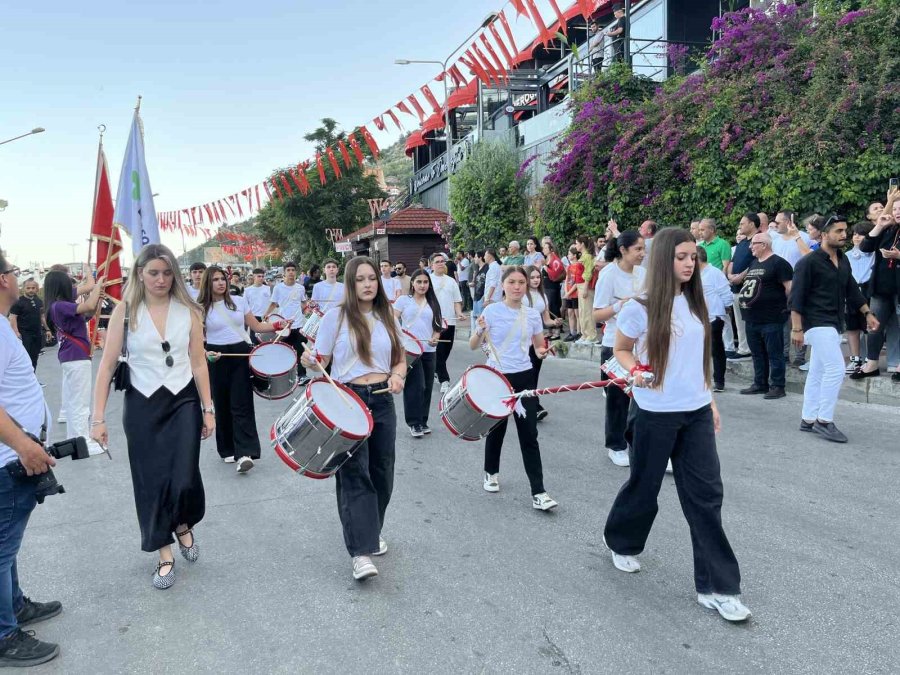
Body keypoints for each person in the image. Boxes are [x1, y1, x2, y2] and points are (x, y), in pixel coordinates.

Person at [603, 227, 750, 623]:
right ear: (664, 259)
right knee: (645, 485)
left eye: (693, 257)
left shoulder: (697, 302)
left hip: (697, 411)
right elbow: (620, 350)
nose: (689, 264)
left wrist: (711, 400)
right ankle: (622, 541)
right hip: (653, 413)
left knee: (706, 496)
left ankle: (718, 587)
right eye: (681, 257)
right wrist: (636, 370)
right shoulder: (641, 306)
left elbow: (699, 359)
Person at [91, 244, 214, 590]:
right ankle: (164, 553)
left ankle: (182, 523)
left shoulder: (188, 311)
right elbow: (107, 364)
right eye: (153, 273)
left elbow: (199, 361)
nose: (161, 279)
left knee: (184, 475)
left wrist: (208, 408)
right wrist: (97, 417)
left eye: (166, 272)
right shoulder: (125, 312)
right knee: (151, 481)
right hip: (143, 405)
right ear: (140, 275)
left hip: (183, 400)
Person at [299, 256, 406, 581]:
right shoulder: (336, 317)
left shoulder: (388, 316)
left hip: (384, 399)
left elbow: (400, 359)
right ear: (350, 283)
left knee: (382, 471)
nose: (368, 284)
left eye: (372, 278)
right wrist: (309, 360)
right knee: (354, 474)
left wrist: (398, 376)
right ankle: (360, 551)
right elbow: (321, 360)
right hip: (348, 401)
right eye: (360, 279)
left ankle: (370, 529)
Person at [0, 253, 63, 667]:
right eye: (14, 273)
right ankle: (4, 635)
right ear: (4, 280)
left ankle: (15, 605)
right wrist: (24, 445)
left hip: (16, 452)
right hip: (9, 456)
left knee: (9, 543)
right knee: (1, 549)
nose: (18, 279)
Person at [470, 266, 557, 511]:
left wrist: (543, 352)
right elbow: (473, 345)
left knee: (529, 435)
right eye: (512, 282)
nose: (517, 286)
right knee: (497, 429)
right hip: (497, 378)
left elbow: (538, 346)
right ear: (503, 285)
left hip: (525, 378)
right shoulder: (492, 311)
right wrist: (479, 329)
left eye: (521, 282)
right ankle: (491, 472)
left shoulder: (531, 315)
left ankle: (539, 492)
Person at [791, 217, 878, 443]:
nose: (844, 235)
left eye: (845, 231)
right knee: (836, 369)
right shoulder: (808, 263)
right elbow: (796, 297)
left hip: (833, 322)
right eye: (838, 231)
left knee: (818, 372)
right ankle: (824, 421)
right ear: (823, 234)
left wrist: (867, 313)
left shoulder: (842, 260)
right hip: (815, 323)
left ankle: (808, 418)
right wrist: (796, 328)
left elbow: (852, 290)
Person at [199, 267, 281, 471]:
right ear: (207, 283)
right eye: (215, 280)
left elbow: (257, 327)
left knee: (242, 403)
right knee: (222, 404)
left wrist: (277, 325)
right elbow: (196, 339)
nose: (220, 283)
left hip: (241, 353)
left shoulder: (239, 302)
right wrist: (204, 353)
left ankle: (245, 452)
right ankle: (226, 449)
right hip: (215, 357)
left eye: (223, 279)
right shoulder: (200, 308)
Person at [592, 230, 646, 466]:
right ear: (623, 250)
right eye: (638, 249)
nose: (642, 254)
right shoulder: (608, 275)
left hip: (642, 344)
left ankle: (644, 444)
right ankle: (616, 445)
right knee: (618, 399)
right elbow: (597, 314)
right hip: (615, 344)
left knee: (644, 398)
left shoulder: (644, 273)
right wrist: (619, 306)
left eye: (644, 249)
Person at [43, 270, 105, 456]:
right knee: (80, 403)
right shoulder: (60, 306)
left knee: (73, 402)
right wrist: (98, 285)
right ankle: (83, 442)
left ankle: (76, 440)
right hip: (76, 356)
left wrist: (96, 297)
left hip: (72, 356)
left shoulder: (58, 306)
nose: (73, 287)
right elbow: (88, 304)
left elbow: (89, 310)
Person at [852, 188, 900, 381]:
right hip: (881, 288)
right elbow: (865, 247)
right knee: (874, 325)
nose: (896, 211)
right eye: (895, 208)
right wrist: (879, 225)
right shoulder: (888, 228)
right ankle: (871, 363)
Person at [738, 233, 793, 398]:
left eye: (754, 243)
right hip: (751, 317)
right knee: (757, 353)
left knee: (774, 353)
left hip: (772, 317)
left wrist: (788, 309)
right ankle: (760, 383)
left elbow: (790, 288)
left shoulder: (779, 263)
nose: (750, 247)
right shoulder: (754, 263)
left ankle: (777, 386)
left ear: (764, 245)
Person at [394, 269, 442, 437]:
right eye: (419, 282)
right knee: (416, 386)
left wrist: (435, 338)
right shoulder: (403, 301)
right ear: (412, 283)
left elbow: (438, 327)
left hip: (429, 350)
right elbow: (392, 320)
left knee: (427, 387)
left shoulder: (433, 302)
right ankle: (413, 423)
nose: (422, 285)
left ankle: (423, 421)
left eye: (426, 282)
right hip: (410, 351)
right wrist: (400, 336)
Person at [524, 265, 562, 421]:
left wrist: (555, 322)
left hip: (538, 340)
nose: (535, 280)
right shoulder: (521, 295)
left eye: (537, 277)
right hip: (523, 340)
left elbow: (546, 320)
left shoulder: (542, 295)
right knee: (527, 375)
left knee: (534, 375)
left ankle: (528, 404)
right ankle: (534, 407)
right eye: (532, 277)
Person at [265, 261, 310, 382]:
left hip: (298, 325)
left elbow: (304, 302)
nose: (291, 272)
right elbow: (274, 303)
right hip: (284, 326)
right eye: (288, 270)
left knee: (300, 350)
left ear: (295, 272)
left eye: (293, 270)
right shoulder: (278, 288)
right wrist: (267, 314)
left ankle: (302, 376)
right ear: (284, 273)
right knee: (284, 351)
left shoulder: (300, 288)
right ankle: (284, 377)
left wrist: (305, 310)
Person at [725, 213, 761, 360]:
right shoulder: (742, 242)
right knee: (739, 321)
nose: (740, 226)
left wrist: (741, 276)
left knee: (749, 321)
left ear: (752, 224)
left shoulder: (758, 240)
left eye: (742, 223)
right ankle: (743, 348)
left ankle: (749, 349)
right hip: (735, 287)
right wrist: (729, 274)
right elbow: (732, 262)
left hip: (750, 289)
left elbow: (757, 261)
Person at [697, 247, 733, 392]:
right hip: (698, 317)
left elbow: (725, 292)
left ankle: (719, 381)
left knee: (715, 348)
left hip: (714, 316)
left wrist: (725, 310)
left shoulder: (714, 273)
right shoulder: (693, 274)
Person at [429, 253, 464, 395]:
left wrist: (459, 313)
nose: (440, 264)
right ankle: (445, 380)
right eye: (437, 261)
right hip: (433, 322)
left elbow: (457, 300)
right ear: (431, 264)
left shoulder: (451, 281)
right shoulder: (427, 280)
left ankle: (437, 370)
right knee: (439, 351)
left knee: (446, 350)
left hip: (450, 322)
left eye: (442, 261)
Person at [845, 222, 875, 373]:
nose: (856, 237)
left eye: (860, 234)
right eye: (855, 234)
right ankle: (855, 359)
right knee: (852, 327)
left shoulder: (874, 254)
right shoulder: (847, 255)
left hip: (868, 291)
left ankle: (871, 358)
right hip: (851, 292)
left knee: (869, 327)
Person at [9, 278, 51, 371]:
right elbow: (13, 317)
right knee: (25, 358)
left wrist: (47, 329)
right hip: (24, 333)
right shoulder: (18, 302)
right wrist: (16, 332)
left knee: (34, 357)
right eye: (28, 288)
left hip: (37, 333)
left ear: (37, 289)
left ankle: (33, 379)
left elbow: (42, 317)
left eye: (33, 288)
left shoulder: (39, 301)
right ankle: (24, 381)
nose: (31, 290)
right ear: (23, 288)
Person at [541, 241, 565, 339]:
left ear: (551, 249)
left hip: (552, 286)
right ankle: (550, 330)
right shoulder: (547, 258)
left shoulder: (555, 260)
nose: (544, 249)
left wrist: (545, 267)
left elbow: (555, 274)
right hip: (546, 285)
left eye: (546, 248)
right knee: (548, 307)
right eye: (544, 248)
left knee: (554, 307)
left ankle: (557, 331)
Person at [575, 235, 597, 343]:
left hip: (585, 285)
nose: (576, 245)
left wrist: (585, 287)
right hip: (580, 285)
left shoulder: (587, 256)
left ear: (582, 244)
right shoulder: (583, 256)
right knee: (582, 311)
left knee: (587, 310)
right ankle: (584, 334)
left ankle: (591, 335)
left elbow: (588, 272)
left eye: (577, 243)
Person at [243, 268, 272, 344]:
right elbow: (244, 306)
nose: (261, 278)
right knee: (254, 341)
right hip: (253, 318)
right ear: (254, 277)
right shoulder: (247, 290)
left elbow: (274, 303)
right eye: (259, 276)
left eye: (262, 276)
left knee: (266, 341)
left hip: (266, 318)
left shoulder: (268, 289)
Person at [563, 245, 583, 341]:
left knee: (577, 313)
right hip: (569, 294)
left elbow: (577, 282)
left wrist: (569, 292)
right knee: (570, 313)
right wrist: (566, 291)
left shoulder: (579, 265)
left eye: (569, 254)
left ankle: (579, 332)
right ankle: (572, 332)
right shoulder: (569, 266)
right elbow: (567, 279)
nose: (567, 255)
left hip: (575, 294)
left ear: (575, 255)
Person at [470, 251, 488, 331]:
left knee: (482, 317)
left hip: (482, 295)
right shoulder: (478, 268)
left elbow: (488, 283)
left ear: (480, 258)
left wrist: (485, 296)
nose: (474, 259)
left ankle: (484, 337)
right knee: (476, 316)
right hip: (476, 295)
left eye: (476, 257)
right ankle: (478, 335)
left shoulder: (487, 268)